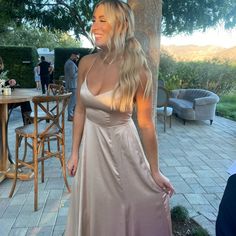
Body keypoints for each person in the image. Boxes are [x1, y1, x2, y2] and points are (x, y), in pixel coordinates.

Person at [65, 1, 174, 236]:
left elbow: (146, 125)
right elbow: (81, 111)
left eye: (103, 20)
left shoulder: (138, 70)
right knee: (94, 207)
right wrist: (74, 152)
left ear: (122, 25)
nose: (94, 26)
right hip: (91, 151)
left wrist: (155, 171)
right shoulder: (86, 63)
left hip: (121, 151)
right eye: (94, 19)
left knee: (123, 208)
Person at [64, 52, 79, 121]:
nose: (77, 59)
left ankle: (72, 115)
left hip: (71, 85)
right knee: (72, 101)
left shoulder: (68, 62)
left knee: (72, 101)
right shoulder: (71, 64)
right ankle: (70, 116)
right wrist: (79, 71)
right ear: (73, 55)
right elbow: (72, 75)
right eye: (77, 57)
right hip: (72, 85)